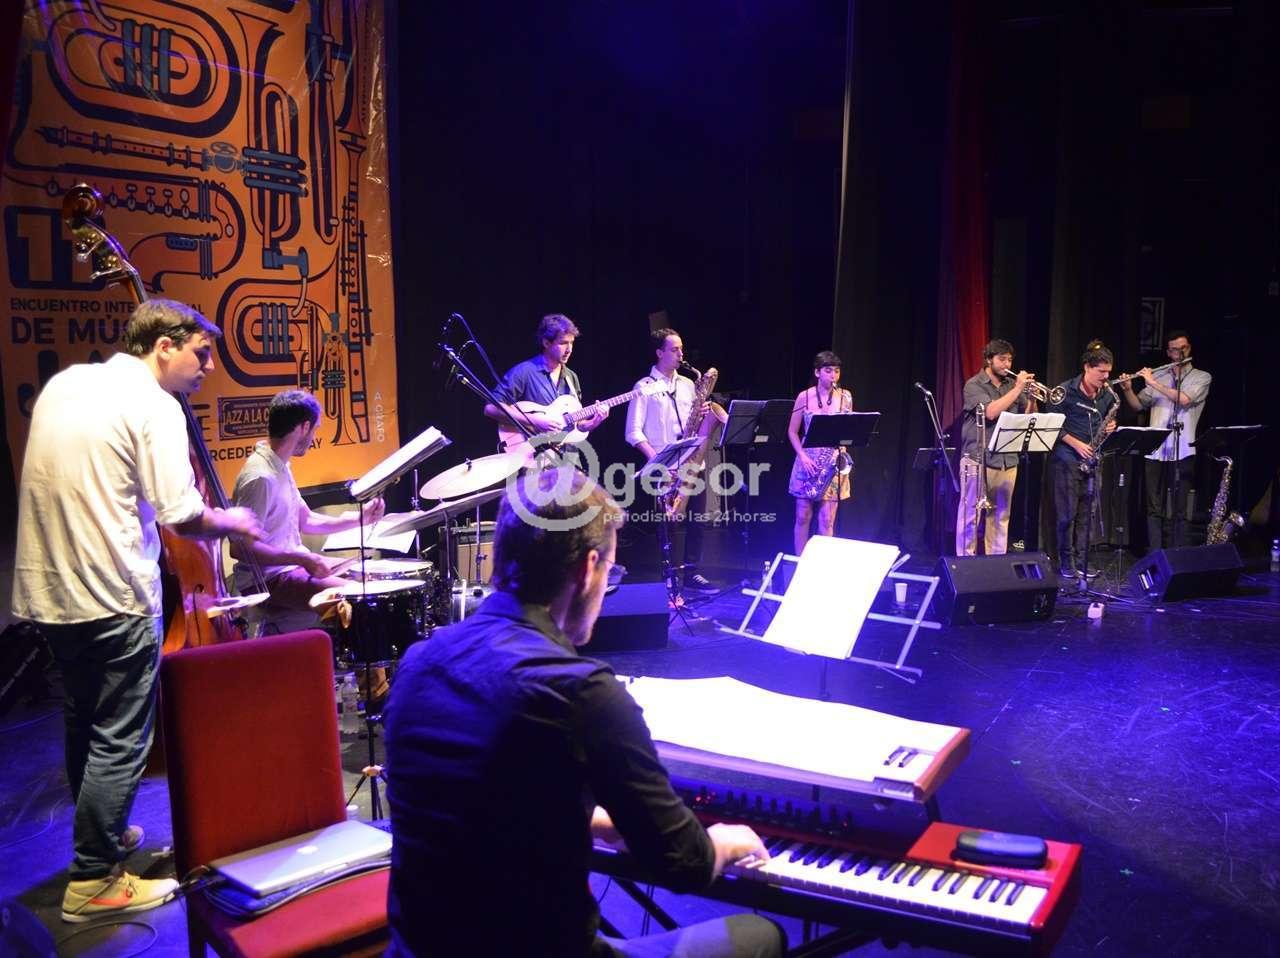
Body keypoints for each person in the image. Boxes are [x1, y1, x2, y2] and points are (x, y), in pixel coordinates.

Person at [384, 466, 784, 957]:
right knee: (759, 936)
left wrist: (594, 820)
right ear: (588, 568)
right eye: (610, 571)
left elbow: (475, 798)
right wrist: (726, 840)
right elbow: (683, 863)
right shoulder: (581, 692)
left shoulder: (418, 663)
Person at [11, 299, 263, 922]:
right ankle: (93, 880)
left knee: (84, 719)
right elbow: (181, 512)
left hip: (49, 592)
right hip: (112, 593)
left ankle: (103, 833)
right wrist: (234, 520)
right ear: (164, 346)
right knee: (121, 736)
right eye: (201, 353)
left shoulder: (68, 384)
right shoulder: (155, 404)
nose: (209, 367)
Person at [230, 389, 385, 637]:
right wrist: (302, 559)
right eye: (314, 429)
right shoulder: (260, 477)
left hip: (289, 569)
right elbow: (240, 548)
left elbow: (307, 519)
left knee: (369, 577)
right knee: (360, 596)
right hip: (267, 581)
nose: (313, 437)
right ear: (304, 427)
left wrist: (360, 519)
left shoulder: (279, 465)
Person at [624, 327, 725, 593]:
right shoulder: (643, 387)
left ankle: (692, 573)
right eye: (674, 349)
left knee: (697, 520)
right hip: (665, 465)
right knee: (668, 523)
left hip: (693, 461)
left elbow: (694, 423)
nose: (681, 354)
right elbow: (633, 432)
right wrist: (657, 461)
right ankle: (667, 575)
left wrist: (703, 413)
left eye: (681, 349)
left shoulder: (689, 384)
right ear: (659, 353)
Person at [1117, 330, 1210, 551]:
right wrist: (1128, 389)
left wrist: (1152, 382)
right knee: (1153, 508)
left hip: (1183, 450)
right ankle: (1155, 554)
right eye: (1175, 349)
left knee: (1179, 510)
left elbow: (1184, 399)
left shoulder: (1202, 377)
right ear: (1169, 352)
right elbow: (1138, 405)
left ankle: (1177, 555)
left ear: (1189, 348)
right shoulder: (1160, 375)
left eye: (1184, 348)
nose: (1181, 353)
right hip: (1155, 450)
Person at [955, 339, 1038, 556]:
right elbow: (990, 412)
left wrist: (1031, 399)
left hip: (1007, 459)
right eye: (1002, 359)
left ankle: (996, 563)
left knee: (1001, 516)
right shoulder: (974, 385)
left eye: (1010, 360)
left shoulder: (1011, 386)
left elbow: (1028, 419)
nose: (1007, 364)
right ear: (988, 360)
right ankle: (965, 563)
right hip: (977, 457)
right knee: (970, 515)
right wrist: (1018, 388)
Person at [1046, 342, 1118, 579]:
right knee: (1067, 515)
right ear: (1087, 367)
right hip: (1066, 459)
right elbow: (1052, 426)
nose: (1105, 377)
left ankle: (1082, 561)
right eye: (1101, 372)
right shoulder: (1064, 391)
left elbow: (1106, 421)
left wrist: (1111, 426)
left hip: (1093, 459)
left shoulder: (1107, 395)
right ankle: (1065, 562)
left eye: (1108, 372)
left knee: (1088, 515)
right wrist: (1077, 444)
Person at [483, 313, 608, 444]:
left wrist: (593, 422)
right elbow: (491, 408)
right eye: (563, 343)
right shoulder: (524, 372)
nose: (569, 349)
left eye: (571, 343)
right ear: (546, 343)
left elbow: (577, 425)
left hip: (563, 453)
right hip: (530, 451)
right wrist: (534, 421)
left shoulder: (571, 377)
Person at [787, 350, 853, 556]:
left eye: (837, 371)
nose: (833, 376)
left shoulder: (845, 397)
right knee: (803, 516)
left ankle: (822, 565)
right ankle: (800, 562)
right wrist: (803, 457)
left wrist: (840, 453)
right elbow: (792, 431)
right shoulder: (804, 396)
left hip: (833, 462)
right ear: (817, 372)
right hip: (808, 461)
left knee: (827, 519)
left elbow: (849, 430)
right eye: (828, 371)